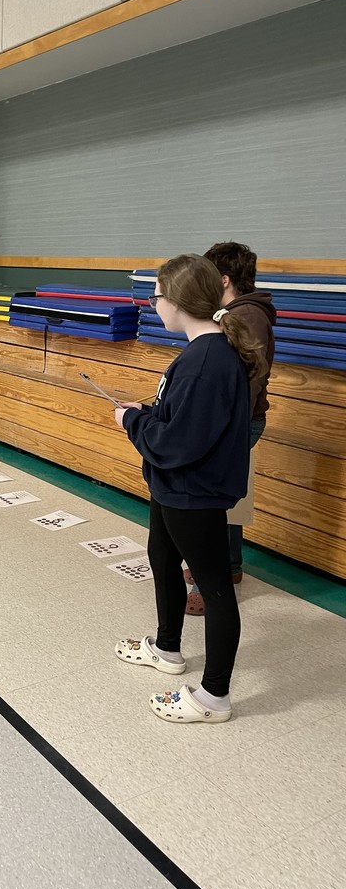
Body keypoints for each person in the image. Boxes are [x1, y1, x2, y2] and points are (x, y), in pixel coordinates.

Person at [113, 255, 268, 724]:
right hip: (174, 486)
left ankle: (213, 697)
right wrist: (147, 411)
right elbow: (183, 420)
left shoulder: (207, 359)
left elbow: (180, 443)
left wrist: (131, 420)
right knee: (161, 558)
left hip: (192, 490)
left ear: (177, 302)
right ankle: (166, 647)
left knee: (216, 588)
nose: (153, 304)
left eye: (156, 296)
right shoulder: (201, 352)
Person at [184, 242, 276, 614]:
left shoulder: (248, 316)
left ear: (223, 279)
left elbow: (247, 379)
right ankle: (231, 566)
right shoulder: (232, 312)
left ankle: (215, 581)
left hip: (238, 422)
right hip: (234, 420)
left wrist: (222, 425)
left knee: (212, 503)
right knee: (226, 501)